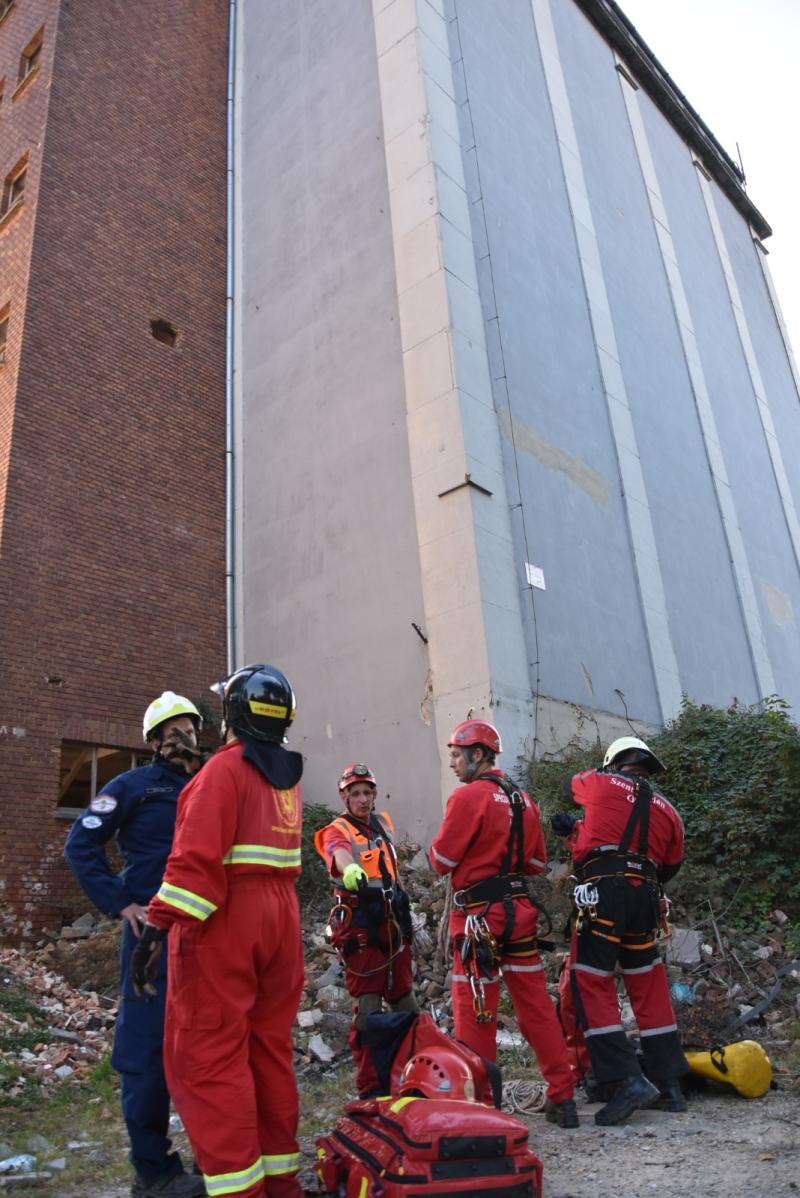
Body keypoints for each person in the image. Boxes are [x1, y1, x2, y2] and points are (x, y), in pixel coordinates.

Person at [130, 664, 305, 1198]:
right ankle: (280, 1183)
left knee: (208, 1059)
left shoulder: (221, 774)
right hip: (281, 921)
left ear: (232, 713)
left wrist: (156, 930)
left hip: (225, 921)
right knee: (268, 1053)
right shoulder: (286, 781)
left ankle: (238, 1189)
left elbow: (195, 871)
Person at [64, 691, 207, 1198]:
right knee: (146, 1052)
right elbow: (80, 843)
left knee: (206, 1046)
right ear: (153, 741)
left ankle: (217, 1154)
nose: (184, 736)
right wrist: (121, 903)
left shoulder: (210, 784)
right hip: (153, 940)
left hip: (207, 939)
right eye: (172, 730)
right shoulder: (131, 787)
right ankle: (154, 1172)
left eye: (190, 727)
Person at [429, 719, 578, 1128]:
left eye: (457, 755)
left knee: (476, 1010)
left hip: (478, 917)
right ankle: (563, 1096)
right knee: (536, 1007)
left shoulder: (467, 797)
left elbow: (441, 861)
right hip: (519, 913)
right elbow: (536, 863)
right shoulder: (524, 800)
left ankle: (481, 1108)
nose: (453, 763)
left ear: (477, 754)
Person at [552, 735, 689, 1125]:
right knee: (649, 987)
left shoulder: (599, 781)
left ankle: (625, 1079)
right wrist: (579, 833)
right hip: (645, 899)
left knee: (590, 983)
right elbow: (669, 865)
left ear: (613, 763)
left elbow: (568, 785)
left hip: (603, 897)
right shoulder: (670, 811)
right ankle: (670, 1084)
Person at [314, 763, 418, 1096]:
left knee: (405, 1000)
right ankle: (372, 1089)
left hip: (392, 922)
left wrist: (406, 912)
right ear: (344, 797)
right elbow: (339, 853)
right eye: (355, 793)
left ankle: (414, 1075)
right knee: (369, 1007)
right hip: (360, 924)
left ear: (374, 794)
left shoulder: (381, 824)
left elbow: (391, 870)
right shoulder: (337, 829)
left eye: (367, 792)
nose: (362, 799)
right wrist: (350, 871)